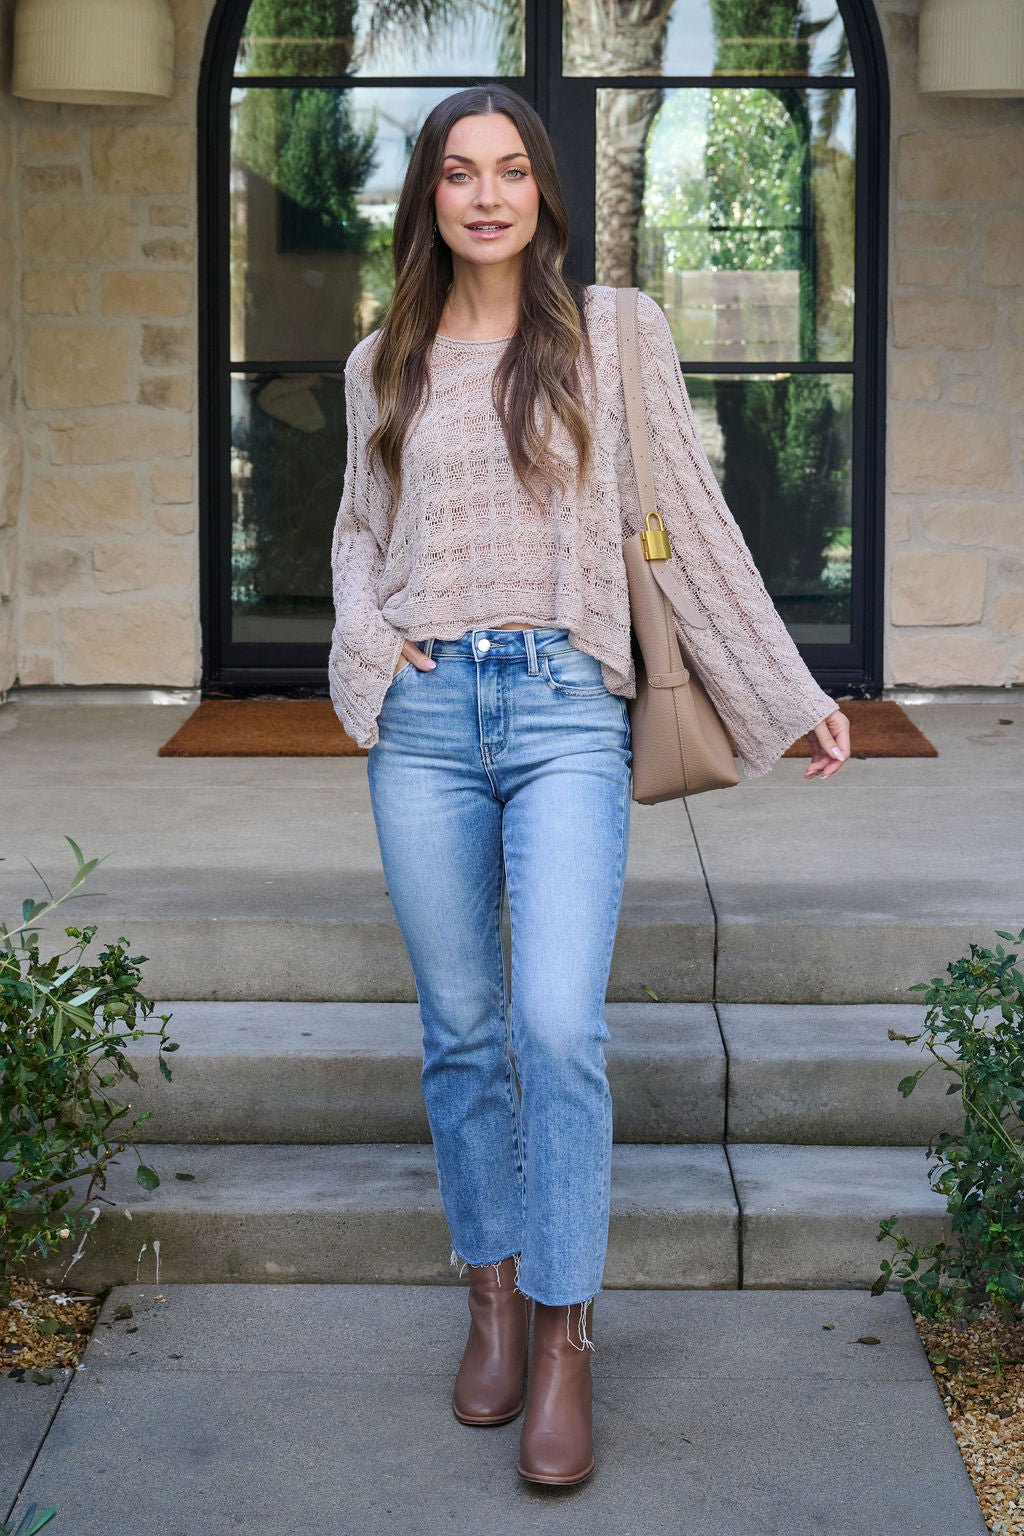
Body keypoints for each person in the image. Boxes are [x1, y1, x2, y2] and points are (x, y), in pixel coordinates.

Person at [328, 84, 850, 1488]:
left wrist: (784, 691)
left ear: (544, 193)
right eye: (457, 173)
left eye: (509, 171)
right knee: (459, 1028)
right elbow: (354, 541)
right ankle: (490, 1298)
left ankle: (566, 1335)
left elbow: (686, 525)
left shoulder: (614, 332)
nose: (485, 195)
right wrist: (373, 652)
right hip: (429, 724)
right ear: (428, 198)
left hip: (566, 712)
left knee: (556, 1027)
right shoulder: (383, 356)